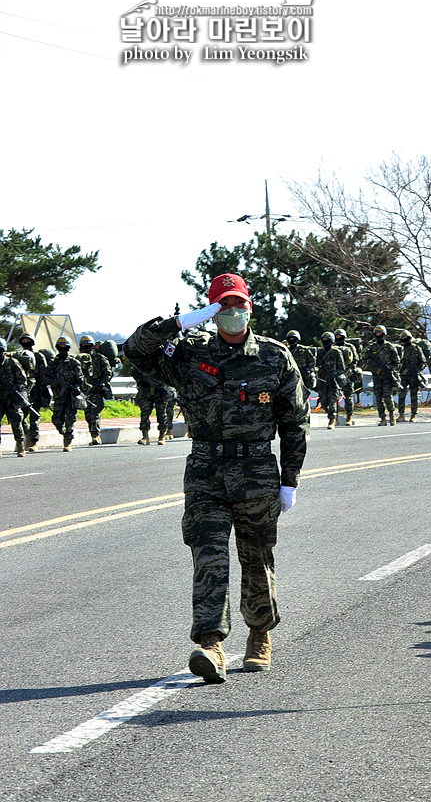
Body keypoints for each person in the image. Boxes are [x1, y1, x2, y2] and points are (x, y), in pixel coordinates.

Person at [125, 273, 309, 683]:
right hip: (206, 471)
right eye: (223, 306)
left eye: (238, 304)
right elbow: (134, 351)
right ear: (212, 310)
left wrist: (289, 479)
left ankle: (259, 634)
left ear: (249, 307)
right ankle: (211, 645)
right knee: (208, 557)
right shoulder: (188, 356)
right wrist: (177, 324)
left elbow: (295, 422)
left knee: (256, 557)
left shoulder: (275, 357)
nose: (232, 313)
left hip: (257, 471)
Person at [46, 336, 87, 452]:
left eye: (65, 346)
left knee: (70, 420)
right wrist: (54, 382)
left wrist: (76, 388)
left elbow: (80, 379)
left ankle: (68, 442)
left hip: (71, 397)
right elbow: (45, 377)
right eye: (60, 346)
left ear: (68, 347)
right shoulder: (53, 363)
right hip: (59, 396)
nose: (62, 348)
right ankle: (64, 433)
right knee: (56, 420)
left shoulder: (74, 362)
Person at [76, 335, 113, 445]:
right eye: (83, 345)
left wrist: (100, 383)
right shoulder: (78, 359)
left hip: (97, 391)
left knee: (95, 413)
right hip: (85, 392)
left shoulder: (99, 357)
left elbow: (108, 373)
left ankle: (95, 436)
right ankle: (93, 434)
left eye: (87, 344)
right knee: (88, 415)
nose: (85, 346)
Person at [364, 325, 402, 426]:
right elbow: (366, 360)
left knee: (387, 396)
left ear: (383, 334)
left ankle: (392, 414)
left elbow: (397, 363)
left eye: (380, 333)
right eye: (376, 333)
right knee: (378, 397)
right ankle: (382, 418)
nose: (378, 335)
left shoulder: (390, 347)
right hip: (377, 376)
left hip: (387, 376)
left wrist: (388, 368)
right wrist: (376, 368)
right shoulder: (372, 347)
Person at [131, 365, 176, 445]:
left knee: (162, 414)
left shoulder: (161, 360)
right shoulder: (144, 361)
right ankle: (145, 436)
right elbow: (135, 372)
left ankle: (162, 436)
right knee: (145, 413)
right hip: (146, 390)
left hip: (161, 391)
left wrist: (159, 384)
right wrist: (142, 382)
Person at [315, 332, 349, 429]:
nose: (325, 342)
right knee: (324, 401)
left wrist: (334, 375)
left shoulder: (336, 352)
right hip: (322, 381)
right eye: (324, 340)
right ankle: (333, 415)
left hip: (333, 381)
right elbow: (315, 365)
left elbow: (341, 368)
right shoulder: (320, 353)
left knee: (333, 400)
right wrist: (318, 370)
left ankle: (332, 420)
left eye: (327, 340)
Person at [1, 349, 30, 457]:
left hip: (11, 399)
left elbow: (22, 380)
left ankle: (20, 445)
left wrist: (14, 390)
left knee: (16, 422)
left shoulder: (11, 362)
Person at [397, 330, 428, 422]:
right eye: (403, 338)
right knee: (401, 395)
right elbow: (396, 361)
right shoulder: (400, 349)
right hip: (403, 375)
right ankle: (401, 414)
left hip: (414, 376)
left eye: (406, 338)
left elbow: (423, 362)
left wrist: (416, 371)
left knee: (414, 395)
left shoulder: (416, 348)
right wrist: (401, 370)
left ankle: (413, 414)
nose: (405, 339)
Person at [333, 329, 359, 423]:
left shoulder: (350, 347)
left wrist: (347, 373)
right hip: (336, 375)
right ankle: (335, 418)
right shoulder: (333, 347)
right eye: (337, 336)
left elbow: (355, 360)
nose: (338, 338)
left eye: (340, 336)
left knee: (349, 397)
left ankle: (349, 416)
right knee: (334, 397)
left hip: (347, 375)